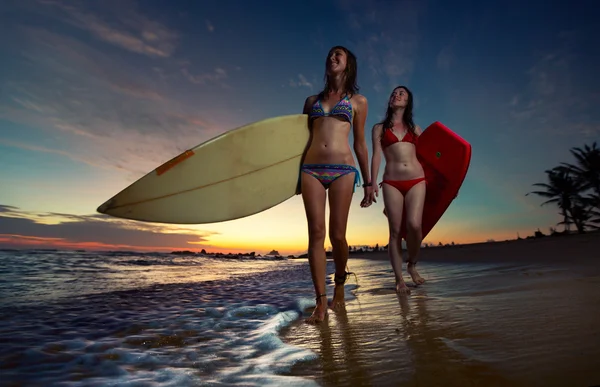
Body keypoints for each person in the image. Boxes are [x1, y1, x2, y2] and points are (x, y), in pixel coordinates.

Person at [298, 46, 372, 323]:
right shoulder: (311, 101)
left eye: (338, 54)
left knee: (337, 235)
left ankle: (339, 282)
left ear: (348, 64)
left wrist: (369, 182)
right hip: (311, 169)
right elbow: (299, 141)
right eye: (329, 54)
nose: (332, 57)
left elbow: (361, 143)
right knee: (315, 235)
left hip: (343, 169)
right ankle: (320, 302)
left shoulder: (358, 101)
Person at [366, 86, 426, 294]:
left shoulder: (416, 129)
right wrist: (372, 182)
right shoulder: (379, 128)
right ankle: (399, 279)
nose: (396, 95)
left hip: (417, 180)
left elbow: (430, 157)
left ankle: (412, 264)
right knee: (394, 231)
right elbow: (376, 156)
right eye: (394, 93)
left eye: (402, 93)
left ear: (407, 102)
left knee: (414, 225)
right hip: (391, 182)